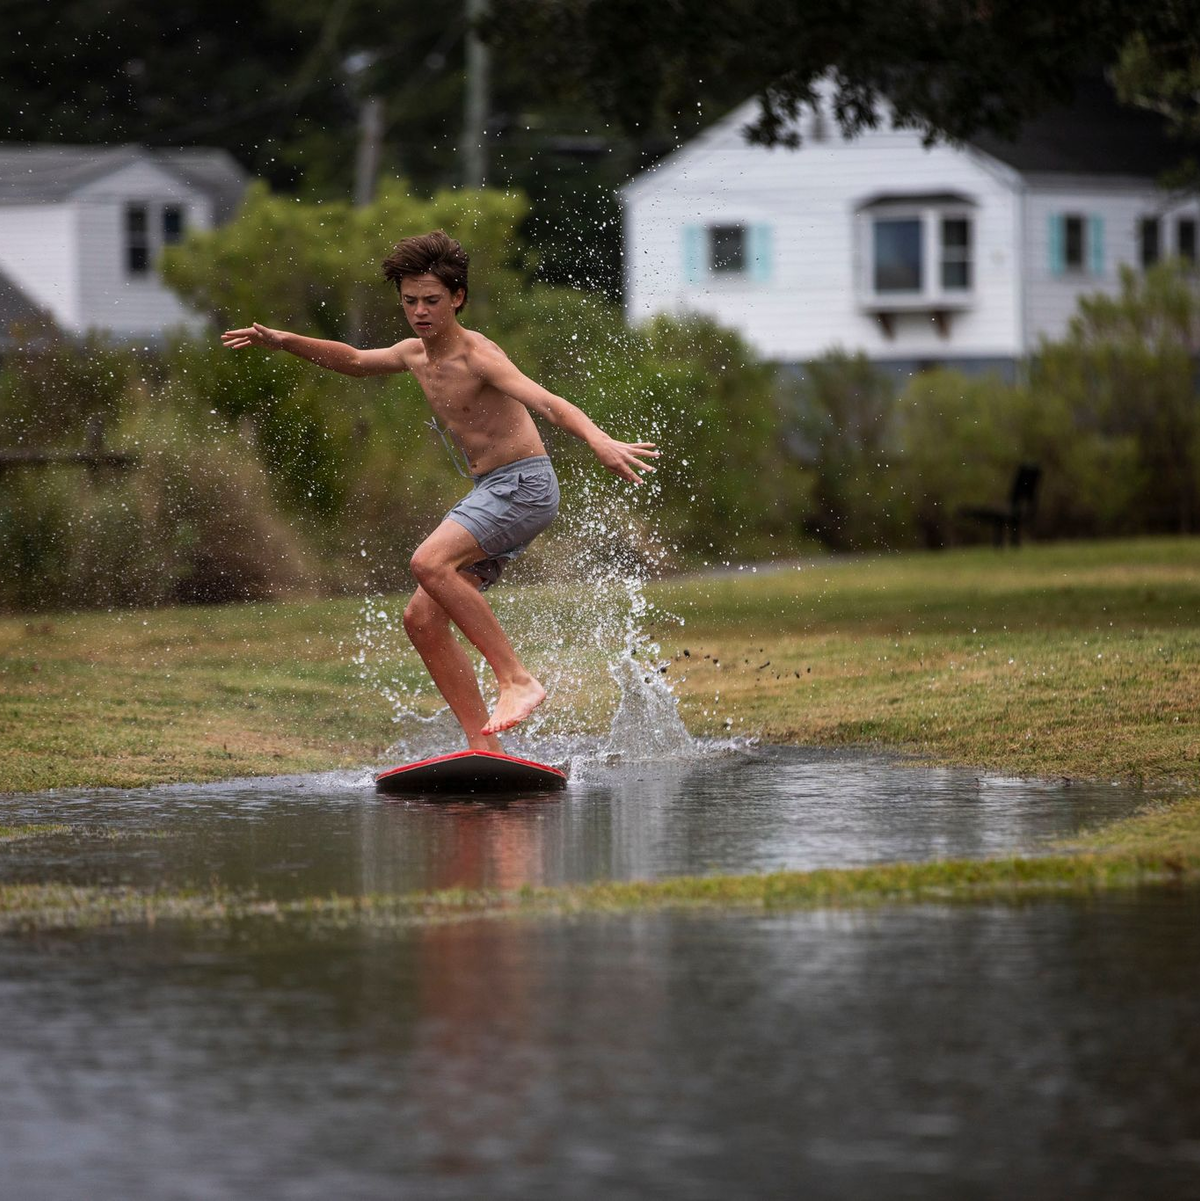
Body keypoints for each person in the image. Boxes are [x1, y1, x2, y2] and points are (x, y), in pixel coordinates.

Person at [221, 230, 658, 748]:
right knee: (422, 618)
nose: (420, 312)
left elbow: (546, 401)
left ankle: (517, 679)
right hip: (492, 489)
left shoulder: (479, 357)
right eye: (410, 302)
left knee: (429, 563)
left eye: (432, 300)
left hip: (524, 486)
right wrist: (285, 341)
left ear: (458, 298)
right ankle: (485, 747)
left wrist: (597, 438)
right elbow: (356, 361)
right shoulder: (413, 355)